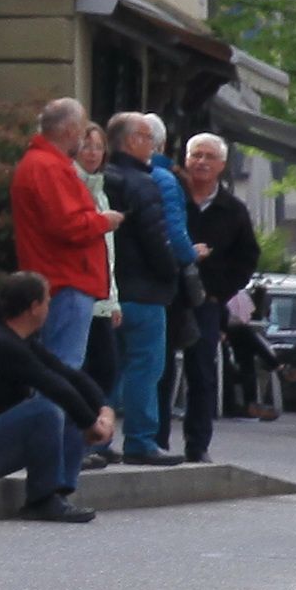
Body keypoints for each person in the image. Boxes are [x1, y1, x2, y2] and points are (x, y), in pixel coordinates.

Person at [0, 269, 117, 525]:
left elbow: (67, 375)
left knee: (67, 407)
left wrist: (102, 408)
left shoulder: (19, 339)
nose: (50, 305)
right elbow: (52, 384)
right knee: (46, 409)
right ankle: (41, 499)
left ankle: (59, 492)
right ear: (34, 307)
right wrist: (92, 423)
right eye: (47, 300)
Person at [13, 98, 117, 415]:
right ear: (70, 130)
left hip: (60, 278)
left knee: (59, 368)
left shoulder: (43, 164)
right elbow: (66, 224)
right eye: (83, 130)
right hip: (66, 280)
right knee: (62, 371)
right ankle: (56, 447)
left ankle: (59, 446)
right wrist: (104, 221)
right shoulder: (48, 167)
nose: (84, 139)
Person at [101, 111, 189, 462]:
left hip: (108, 289)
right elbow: (157, 237)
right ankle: (140, 440)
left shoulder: (101, 180)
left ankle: (97, 438)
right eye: (146, 137)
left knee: (107, 367)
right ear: (131, 141)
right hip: (145, 291)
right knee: (145, 368)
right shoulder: (144, 182)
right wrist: (171, 271)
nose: (152, 144)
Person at [176, 130, 261, 462]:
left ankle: (197, 446)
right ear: (186, 159)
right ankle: (150, 442)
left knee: (201, 373)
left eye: (209, 157)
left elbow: (247, 258)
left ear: (222, 165)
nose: (201, 162)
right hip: (168, 297)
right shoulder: (172, 199)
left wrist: (220, 293)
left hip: (206, 303)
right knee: (159, 370)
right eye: (196, 155)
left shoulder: (232, 210)